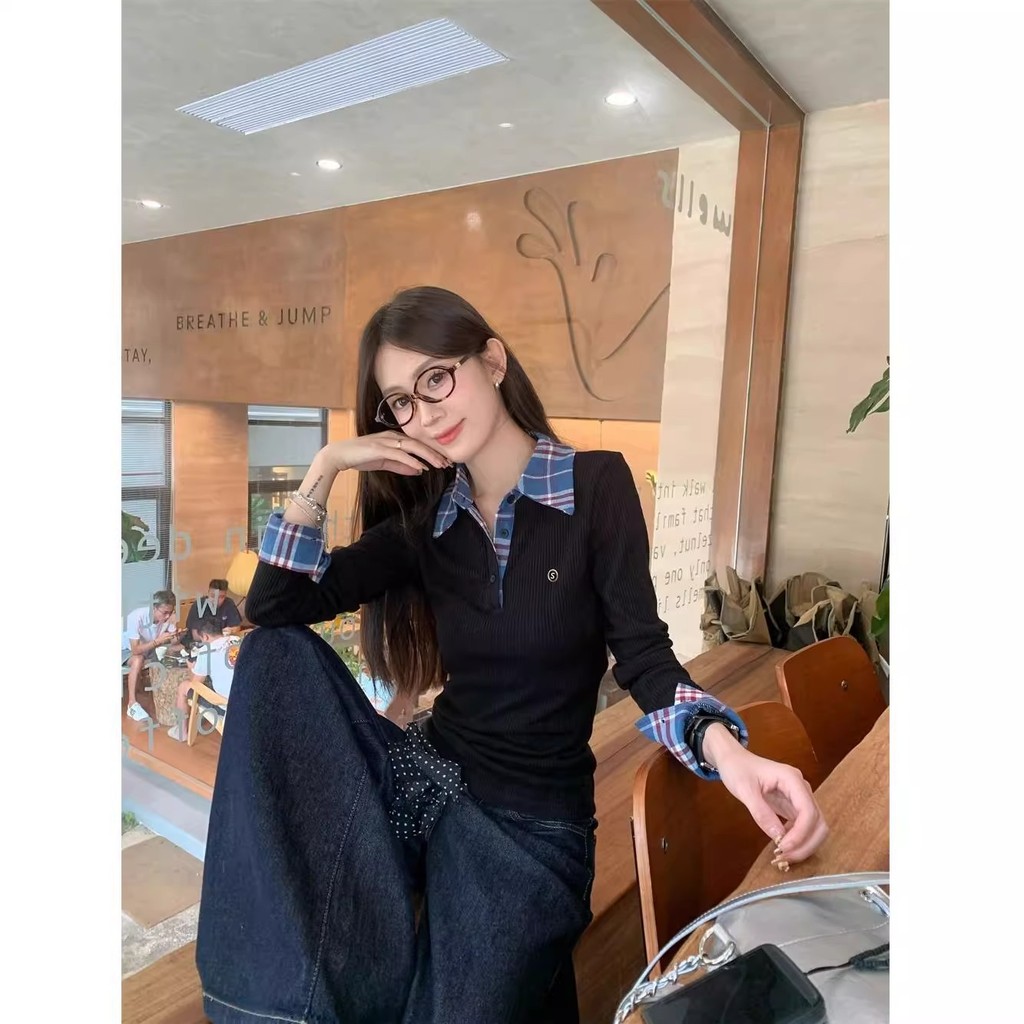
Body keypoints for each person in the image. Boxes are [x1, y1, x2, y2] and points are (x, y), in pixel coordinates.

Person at [196, 286, 828, 1024]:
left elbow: (645, 660)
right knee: (273, 660)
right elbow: (273, 611)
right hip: (424, 779)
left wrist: (731, 754)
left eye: (437, 378)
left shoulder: (597, 487)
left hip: (531, 826)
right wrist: (327, 465)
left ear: (492, 361)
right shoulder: (427, 524)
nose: (425, 412)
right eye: (400, 402)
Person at [166, 616, 239, 742]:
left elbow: (196, 685)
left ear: (205, 636)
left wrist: (191, 668)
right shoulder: (237, 640)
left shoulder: (206, 651)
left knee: (184, 686)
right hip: (248, 699)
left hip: (227, 704)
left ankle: (181, 732)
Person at [123, 589, 182, 722]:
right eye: (164, 612)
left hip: (149, 649)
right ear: (154, 608)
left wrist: (176, 632)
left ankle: (169, 698)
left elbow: (174, 642)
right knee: (138, 659)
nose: (167, 616)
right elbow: (135, 650)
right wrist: (158, 641)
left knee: (174, 653)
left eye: (171, 612)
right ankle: (132, 704)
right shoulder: (136, 617)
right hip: (127, 650)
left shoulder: (168, 617)